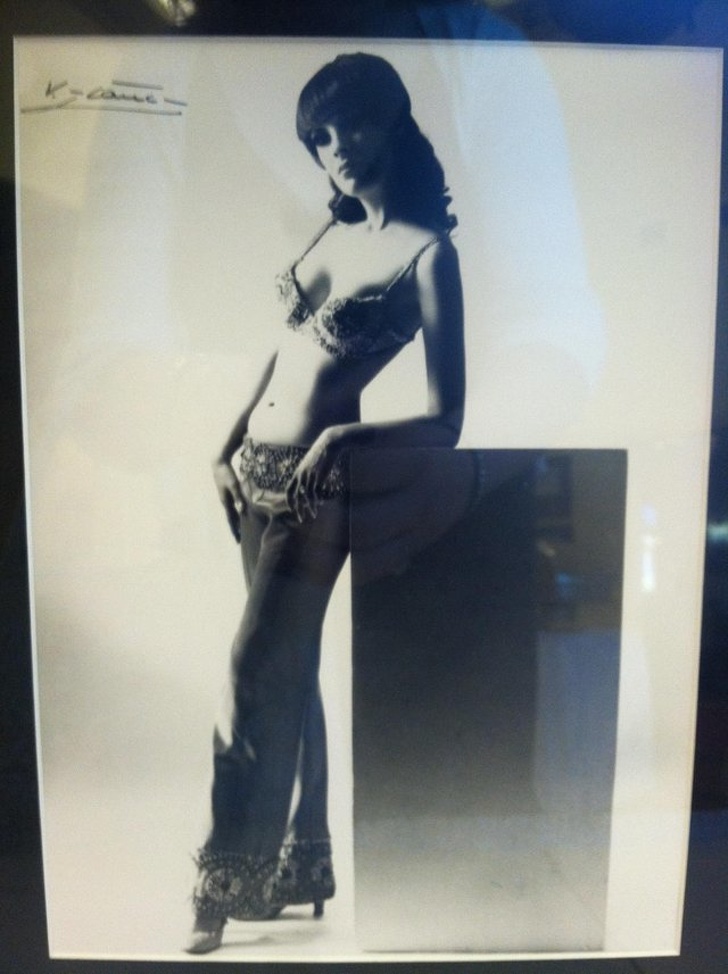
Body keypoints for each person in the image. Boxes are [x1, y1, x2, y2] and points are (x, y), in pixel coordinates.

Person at [186, 52, 465, 954]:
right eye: (318, 136)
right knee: (290, 671)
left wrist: (345, 436)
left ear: (391, 122)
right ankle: (302, 863)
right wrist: (225, 443)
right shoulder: (330, 233)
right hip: (253, 474)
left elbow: (447, 420)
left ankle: (220, 883)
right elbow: (285, 353)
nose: (333, 148)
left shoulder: (429, 255)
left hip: (320, 491)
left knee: (251, 670)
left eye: (348, 126)